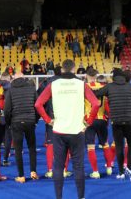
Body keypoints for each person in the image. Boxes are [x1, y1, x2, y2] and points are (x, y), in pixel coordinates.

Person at [35, 60, 100, 199]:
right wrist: (89, 122)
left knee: (58, 166)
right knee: (78, 166)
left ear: (62, 70)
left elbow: (38, 104)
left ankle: (59, 197)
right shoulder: (81, 84)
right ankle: (81, 197)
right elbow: (96, 104)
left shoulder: (53, 84)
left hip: (59, 130)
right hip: (77, 130)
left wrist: (48, 120)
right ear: (74, 69)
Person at [94, 69, 131, 182]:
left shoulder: (109, 87)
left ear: (113, 77)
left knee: (119, 146)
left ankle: (121, 172)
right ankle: (129, 168)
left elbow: (96, 94)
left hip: (116, 121)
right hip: (129, 121)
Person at [3, 73, 39, 183]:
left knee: (18, 149)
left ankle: (21, 176)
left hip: (16, 122)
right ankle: (33, 172)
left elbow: (7, 110)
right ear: (24, 79)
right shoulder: (32, 89)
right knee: (32, 147)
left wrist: (9, 122)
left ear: (13, 79)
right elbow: (37, 105)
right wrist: (35, 120)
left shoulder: (10, 91)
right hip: (30, 121)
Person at [84, 68, 114, 179]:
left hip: (89, 120)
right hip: (102, 119)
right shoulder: (103, 87)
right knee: (105, 144)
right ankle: (109, 168)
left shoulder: (84, 87)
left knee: (91, 147)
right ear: (96, 76)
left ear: (86, 75)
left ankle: (95, 171)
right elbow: (107, 104)